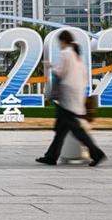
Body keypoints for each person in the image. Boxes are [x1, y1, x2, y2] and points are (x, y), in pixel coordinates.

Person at [36, 30, 106, 167]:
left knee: (74, 129)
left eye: (59, 42)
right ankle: (51, 156)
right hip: (76, 95)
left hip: (67, 97)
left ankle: (96, 153)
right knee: (61, 129)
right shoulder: (78, 57)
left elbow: (60, 72)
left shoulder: (66, 53)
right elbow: (84, 77)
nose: (59, 45)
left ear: (63, 41)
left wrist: (50, 66)